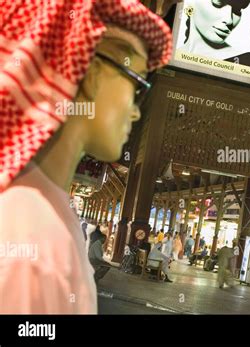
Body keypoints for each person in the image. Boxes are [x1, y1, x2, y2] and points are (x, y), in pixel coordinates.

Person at [0, 0, 173, 314]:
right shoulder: (35, 240)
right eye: (138, 87)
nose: (136, 111)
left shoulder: (34, 208)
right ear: (91, 73)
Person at [181, 0, 250, 70]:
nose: (229, 21)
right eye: (219, 2)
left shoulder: (248, 62)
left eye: (237, 10)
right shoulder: (171, 56)